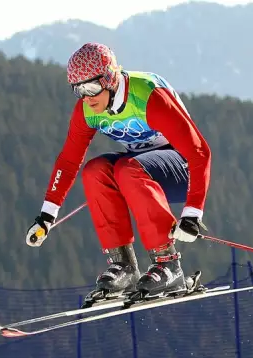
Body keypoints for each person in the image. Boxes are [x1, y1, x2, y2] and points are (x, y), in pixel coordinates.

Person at [25, 42, 212, 301]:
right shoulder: (87, 110)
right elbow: (68, 161)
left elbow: (199, 151)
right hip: (140, 168)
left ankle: (168, 264)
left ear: (110, 79)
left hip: (182, 168)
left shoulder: (148, 96)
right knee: (95, 171)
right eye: (77, 89)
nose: (86, 97)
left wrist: (192, 214)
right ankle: (124, 266)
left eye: (91, 87)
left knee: (126, 168)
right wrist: (46, 216)